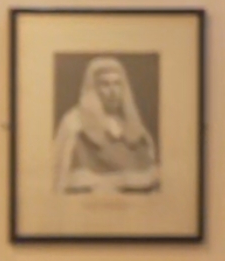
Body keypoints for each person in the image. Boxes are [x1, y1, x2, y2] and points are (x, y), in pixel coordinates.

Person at [54, 56, 159, 194]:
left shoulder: (133, 126)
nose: (112, 91)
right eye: (105, 84)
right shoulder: (74, 122)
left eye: (117, 84)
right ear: (93, 88)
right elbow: (59, 175)